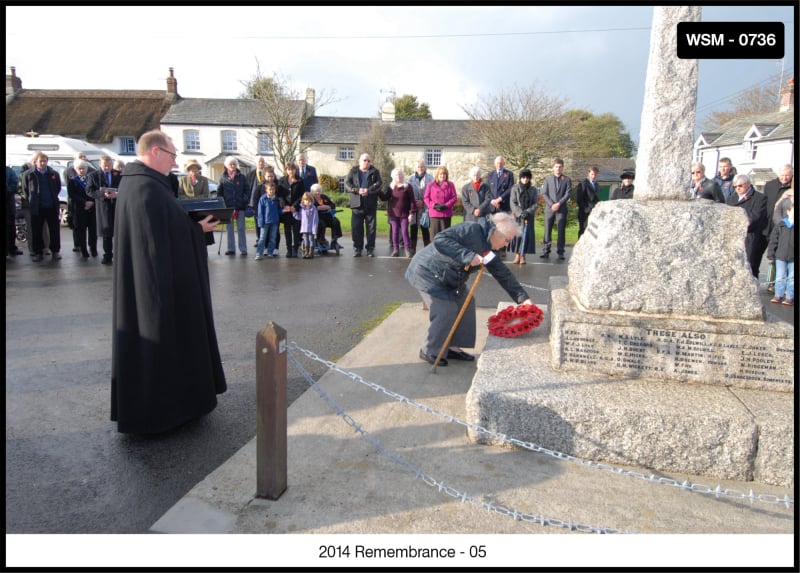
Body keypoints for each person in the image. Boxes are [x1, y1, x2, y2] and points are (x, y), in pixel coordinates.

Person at [111, 129, 226, 434]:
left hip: (152, 281)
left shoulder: (140, 184)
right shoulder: (145, 189)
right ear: (156, 152)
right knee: (162, 345)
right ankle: (166, 411)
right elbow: (158, 239)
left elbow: (164, 228)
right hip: (156, 288)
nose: (175, 162)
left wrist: (189, 225)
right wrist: (195, 230)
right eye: (173, 155)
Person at [405, 212, 533, 366]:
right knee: (446, 310)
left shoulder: (489, 249)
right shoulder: (471, 229)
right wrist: (467, 255)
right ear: (496, 232)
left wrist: (523, 299)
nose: (507, 245)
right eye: (507, 240)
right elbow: (440, 239)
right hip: (428, 272)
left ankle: (452, 346)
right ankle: (430, 350)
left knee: (466, 302)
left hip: (450, 278)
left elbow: (503, 274)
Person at [21, 152, 62, 262]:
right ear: (35, 162)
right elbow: (25, 190)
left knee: (54, 230)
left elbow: (57, 188)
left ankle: (55, 251)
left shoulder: (53, 173)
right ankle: (38, 252)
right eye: (41, 161)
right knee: (36, 230)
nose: (43, 163)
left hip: (51, 206)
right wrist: (32, 200)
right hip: (37, 207)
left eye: (45, 161)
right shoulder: (28, 174)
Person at [726, 173, 768, 279]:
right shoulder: (732, 198)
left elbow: (756, 217)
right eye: (735, 186)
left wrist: (739, 224)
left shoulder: (760, 198)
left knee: (750, 266)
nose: (737, 188)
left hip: (751, 236)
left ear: (748, 184)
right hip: (734, 235)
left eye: (740, 186)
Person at [344, 153, 382, 257]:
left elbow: (379, 185)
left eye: (369, 160)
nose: (367, 162)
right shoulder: (353, 171)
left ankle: (370, 249)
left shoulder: (375, 171)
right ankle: (357, 248)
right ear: (360, 161)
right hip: (357, 204)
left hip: (370, 204)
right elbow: (347, 184)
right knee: (356, 227)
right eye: (365, 160)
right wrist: (357, 190)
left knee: (371, 228)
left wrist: (368, 191)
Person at [763, 164, 793, 292]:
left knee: (785, 257)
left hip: (788, 227)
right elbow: (773, 207)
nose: (784, 178)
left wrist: (784, 224)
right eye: (782, 175)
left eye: (787, 175)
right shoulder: (770, 185)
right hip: (771, 225)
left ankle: (785, 287)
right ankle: (771, 283)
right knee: (772, 255)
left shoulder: (792, 188)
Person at [87, 155, 122, 265]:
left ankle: (120, 256)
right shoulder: (93, 176)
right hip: (103, 207)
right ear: (100, 164)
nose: (107, 167)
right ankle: (107, 255)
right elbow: (89, 190)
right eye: (104, 165)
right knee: (107, 233)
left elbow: (125, 187)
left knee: (119, 232)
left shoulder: (119, 174)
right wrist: (103, 194)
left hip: (117, 206)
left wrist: (117, 194)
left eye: (109, 165)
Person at [381, 167, 417, 257]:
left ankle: (407, 250)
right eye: (397, 175)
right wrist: (378, 191)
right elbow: (385, 197)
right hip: (393, 213)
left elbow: (412, 201)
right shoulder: (391, 187)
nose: (399, 176)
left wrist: (411, 213)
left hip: (405, 214)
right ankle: (395, 250)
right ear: (393, 176)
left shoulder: (408, 187)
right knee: (395, 231)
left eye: (400, 174)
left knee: (404, 231)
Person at [540, 158, 572, 260]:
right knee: (547, 230)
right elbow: (544, 193)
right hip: (549, 209)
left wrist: (559, 203)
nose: (558, 169)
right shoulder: (548, 179)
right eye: (556, 167)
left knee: (561, 231)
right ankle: (546, 250)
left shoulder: (567, 180)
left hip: (561, 209)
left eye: (560, 167)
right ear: (553, 168)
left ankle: (560, 252)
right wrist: (551, 204)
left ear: (563, 168)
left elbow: (568, 193)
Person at [64, 152, 96, 252]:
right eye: (80, 169)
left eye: (84, 168)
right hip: (79, 208)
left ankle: (93, 248)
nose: (82, 170)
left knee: (92, 230)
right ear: (76, 170)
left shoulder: (91, 179)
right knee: (81, 230)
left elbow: (95, 191)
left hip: (92, 208)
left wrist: (91, 202)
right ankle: (83, 249)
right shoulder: (73, 181)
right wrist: (84, 202)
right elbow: (72, 194)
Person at [218, 156, 250, 256]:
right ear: (227, 165)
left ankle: (243, 248)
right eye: (231, 164)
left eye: (234, 164)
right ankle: (231, 248)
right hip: (228, 207)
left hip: (240, 207)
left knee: (241, 228)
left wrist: (244, 200)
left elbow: (247, 190)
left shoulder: (242, 177)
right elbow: (220, 192)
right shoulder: (223, 177)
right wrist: (222, 203)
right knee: (229, 228)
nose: (233, 166)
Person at [767, 197, 794, 306]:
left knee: (792, 277)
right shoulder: (781, 225)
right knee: (780, 276)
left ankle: (790, 296)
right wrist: (771, 254)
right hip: (780, 256)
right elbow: (774, 240)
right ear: (788, 211)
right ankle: (778, 294)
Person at [509, 168, 538, 264]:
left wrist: (528, 212)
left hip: (528, 217)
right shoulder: (515, 188)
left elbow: (535, 203)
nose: (525, 179)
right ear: (520, 178)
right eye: (523, 177)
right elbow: (513, 202)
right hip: (518, 217)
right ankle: (517, 255)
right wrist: (520, 212)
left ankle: (523, 256)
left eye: (527, 177)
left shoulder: (533, 189)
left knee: (526, 236)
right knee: (518, 236)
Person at [278, 162, 305, 257]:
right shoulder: (281, 180)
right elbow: (279, 195)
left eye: (293, 169)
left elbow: (302, 195)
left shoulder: (300, 181)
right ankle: (289, 249)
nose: (291, 171)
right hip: (286, 210)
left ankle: (295, 249)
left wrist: (295, 206)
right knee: (287, 230)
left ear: (295, 170)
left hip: (295, 209)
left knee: (296, 230)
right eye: (289, 169)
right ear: (286, 170)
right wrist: (284, 205)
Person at [424, 165, 457, 239]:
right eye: (441, 174)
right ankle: (433, 250)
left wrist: (446, 205)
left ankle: (444, 250)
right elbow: (426, 198)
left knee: (445, 236)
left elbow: (454, 197)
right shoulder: (430, 185)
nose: (442, 175)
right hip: (434, 214)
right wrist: (433, 205)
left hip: (446, 214)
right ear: (437, 175)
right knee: (434, 236)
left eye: (444, 174)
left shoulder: (450, 185)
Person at [408, 159, 434, 255]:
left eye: (422, 167)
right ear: (415, 168)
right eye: (419, 167)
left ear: (425, 167)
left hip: (425, 207)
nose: (420, 168)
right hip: (414, 207)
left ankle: (427, 249)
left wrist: (423, 202)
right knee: (413, 228)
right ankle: (412, 249)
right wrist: (415, 202)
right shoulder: (410, 179)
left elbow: (433, 193)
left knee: (425, 227)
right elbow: (408, 194)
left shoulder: (430, 178)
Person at [254, 180, 282, 260]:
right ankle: (259, 253)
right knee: (262, 238)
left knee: (273, 238)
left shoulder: (277, 199)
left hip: (275, 222)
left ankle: (270, 252)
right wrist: (260, 222)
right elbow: (260, 212)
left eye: (273, 189)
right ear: (266, 190)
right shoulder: (263, 199)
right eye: (270, 189)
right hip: (265, 222)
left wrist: (283, 210)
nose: (271, 191)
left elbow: (279, 210)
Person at [247, 158, 271, 247]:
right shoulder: (250, 174)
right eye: (259, 162)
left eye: (262, 162)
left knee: (267, 222)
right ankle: (259, 239)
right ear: (255, 163)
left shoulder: (268, 173)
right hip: (255, 202)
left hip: (267, 202)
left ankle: (266, 240)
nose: (261, 163)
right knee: (258, 221)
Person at [310, 183, 342, 250]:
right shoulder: (311, 198)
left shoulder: (324, 197)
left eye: (319, 191)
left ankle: (334, 240)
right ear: (312, 192)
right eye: (316, 191)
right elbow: (309, 207)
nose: (317, 192)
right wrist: (317, 208)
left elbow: (333, 205)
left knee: (335, 221)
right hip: (317, 217)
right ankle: (320, 240)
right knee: (322, 224)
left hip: (327, 216)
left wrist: (328, 206)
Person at [575, 166, 601, 237]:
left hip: (593, 211)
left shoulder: (597, 185)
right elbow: (579, 199)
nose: (594, 176)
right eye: (592, 174)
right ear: (588, 173)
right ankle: (580, 247)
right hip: (584, 212)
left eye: (595, 174)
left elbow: (596, 198)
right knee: (583, 230)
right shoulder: (583, 184)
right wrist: (586, 209)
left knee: (591, 231)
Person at [293, 191, 319, 259]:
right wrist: (294, 213)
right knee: (305, 240)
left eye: (308, 200)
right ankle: (306, 252)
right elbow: (299, 217)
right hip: (304, 228)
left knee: (311, 239)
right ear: (303, 201)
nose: (307, 201)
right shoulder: (302, 209)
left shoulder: (313, 208)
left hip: (311, 228)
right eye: (305, 200)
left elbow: (315, 219)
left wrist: (314, 228)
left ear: (311, 200)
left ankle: (311, 252)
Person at [6, 165, 22, 257]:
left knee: (10, 226)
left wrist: (8, 190)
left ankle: (12, 248)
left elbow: (15, 184)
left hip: (8, 203)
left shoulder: (9, 171)